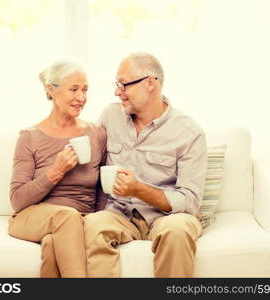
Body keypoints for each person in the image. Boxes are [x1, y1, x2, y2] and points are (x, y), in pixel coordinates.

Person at [84, 52, 207, 277]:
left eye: (123, 84)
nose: (117, 92)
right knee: (90, 226)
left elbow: (190, 202)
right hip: (120, 214)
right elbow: (92, 165)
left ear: (150, 83)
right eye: (116, 84)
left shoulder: (189, 133)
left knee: (178, 232)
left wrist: (138, 189)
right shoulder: (111, 116)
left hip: (168, 218)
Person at [8, 57, 106, 278]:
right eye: (74, 89)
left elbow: (102, 188)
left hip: (76, 220)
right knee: (66, 217)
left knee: (53, 244)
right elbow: (17, 200)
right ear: (51, 90)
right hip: (33, 216)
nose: (81, 98)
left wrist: (97, 220)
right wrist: (56, 171)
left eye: (85, 90)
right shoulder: (29, 137)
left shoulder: (96, 133)